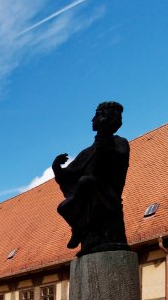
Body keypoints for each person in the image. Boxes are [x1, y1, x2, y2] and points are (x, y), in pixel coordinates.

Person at [52, 101, 130, 256]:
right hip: (89, 196)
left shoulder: (119, 143)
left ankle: (84, 230)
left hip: (108, 196)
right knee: (63, 207)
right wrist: (56, 167)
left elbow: (107, 162)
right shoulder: (87, 152)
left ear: (108, 118)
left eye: (98, 115)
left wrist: (104, 132)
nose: (93, 120)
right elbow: (69, 175)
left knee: (86, 182)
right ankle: (81, 230)